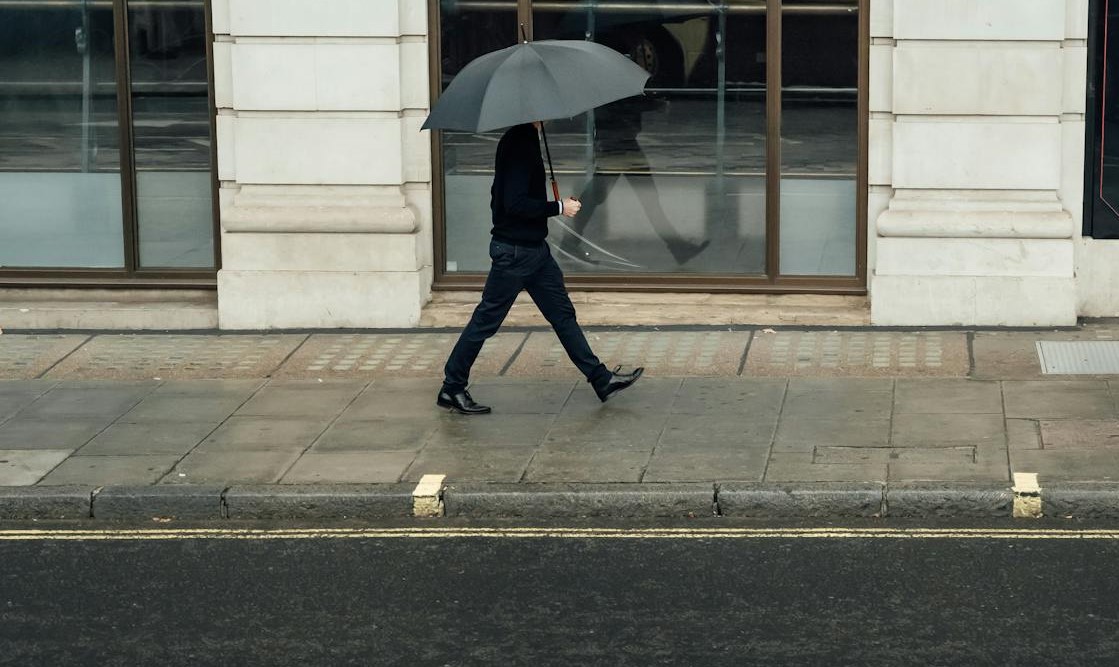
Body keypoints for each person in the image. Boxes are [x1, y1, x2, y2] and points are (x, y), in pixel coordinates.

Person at [437, 121, 644, 415]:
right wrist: (559, 207)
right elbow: (514, 203)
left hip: (535, 253)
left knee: (562, 315)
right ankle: (452, 386)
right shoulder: (520, 143)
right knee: (485, 321)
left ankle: (602, 380)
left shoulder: (526, 138)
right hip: (515, 253)